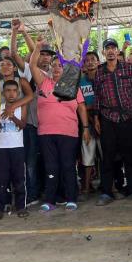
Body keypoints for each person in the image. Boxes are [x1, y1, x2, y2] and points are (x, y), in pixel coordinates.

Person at [30, 39, 90, 212]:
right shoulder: (44, 82)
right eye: (54, 65)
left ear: (66, 69)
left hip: (69, 133)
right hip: (46, 133)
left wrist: (85, 128)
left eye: (60, 66)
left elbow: (81, 107)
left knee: (68, 166)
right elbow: (33, 65)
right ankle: (50, 200)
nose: (57, 68)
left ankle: (71, 198)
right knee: (51, 167)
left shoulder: (73, 86)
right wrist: (38, 47)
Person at [93, 38, 132, 205]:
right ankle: (107, 192)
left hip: (127, 118)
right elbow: (97, 97)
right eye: (107, 48)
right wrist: (96, 118)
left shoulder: (129, 68)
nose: (110, 51)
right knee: (108, 156)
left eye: (113, 48)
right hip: (107, 118)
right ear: (103, 52)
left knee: (130, 155)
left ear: (117, 51)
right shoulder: (99, 72)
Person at [10, 19, 53, 205]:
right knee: (31, 161)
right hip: (32, 124)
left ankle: (49, 191)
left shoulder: (56, 72)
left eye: (48, 55)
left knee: (49, 161)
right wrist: (18, 33)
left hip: (51, 125)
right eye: (41, 54)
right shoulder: (28, 72)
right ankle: (33, 194)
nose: (44, 57)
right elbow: (14, 53)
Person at [0, 80, 29, 219]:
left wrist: (12, 116)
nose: (11, 93)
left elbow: (23, 125)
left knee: (19, 178)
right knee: (1, 179)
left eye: (14, 90)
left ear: (18, 92)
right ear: (3, 93)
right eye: (8, 90)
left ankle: (21, 206)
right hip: (2, 148)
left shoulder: (21, 106)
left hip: (18, 148)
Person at [79, 51, 100, 195]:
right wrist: (88, 110)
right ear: (84, 64)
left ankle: (109, 185)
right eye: (87, 60)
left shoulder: (103, 78)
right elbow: (78, 104)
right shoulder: (80, 82)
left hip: (103, 120)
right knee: (87, 155)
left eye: (93, 59)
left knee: (106, 154)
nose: (90, 62)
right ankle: (86, 187)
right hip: (86, 122)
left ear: (98, 62)